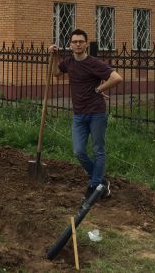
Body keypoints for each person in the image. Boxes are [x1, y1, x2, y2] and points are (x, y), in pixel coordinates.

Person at [48, 29, 123, 201]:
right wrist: (53, 57)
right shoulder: (69, 63)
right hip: (79, 115)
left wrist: (98, 89)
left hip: (97, 113)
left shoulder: (94, 63)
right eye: (74, 42)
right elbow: (55, 74)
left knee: (98, 150)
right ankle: (100, 181)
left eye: (81, 41)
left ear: (86, 44)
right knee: (78, 151)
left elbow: (117, 78)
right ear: (70, 45)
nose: (78, 44)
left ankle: (94, 185)